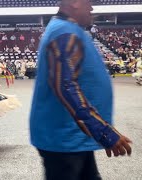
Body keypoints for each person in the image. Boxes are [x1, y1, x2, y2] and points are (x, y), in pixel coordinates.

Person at [29, 0, 132, 180]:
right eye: (88, 2)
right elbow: (65, 87)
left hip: (74, 136)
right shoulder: (65, 33)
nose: (91, 8)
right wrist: (103, 132)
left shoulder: (68, 30)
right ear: (74, 3)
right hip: (64, 139)